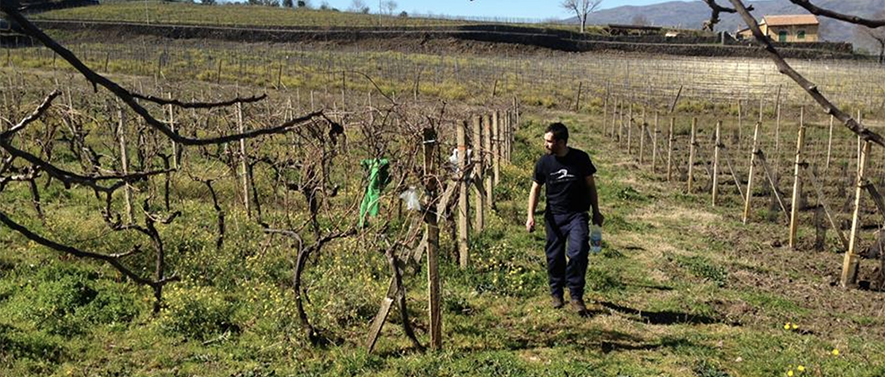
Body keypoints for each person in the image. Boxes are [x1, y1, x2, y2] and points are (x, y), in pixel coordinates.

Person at [526, 122, 604, 315]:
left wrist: (596, 211)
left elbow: (590, 186)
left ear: (561, 142)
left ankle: (576, 296)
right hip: (554, 217)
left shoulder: (580, 159)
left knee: (578, 253)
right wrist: (530, 216)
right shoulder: (544, 163)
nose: (545, 145)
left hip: (577, 215)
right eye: (545, 141)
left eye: (549, 141)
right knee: (554, 257)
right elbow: (535, 189)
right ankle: (556, 293)